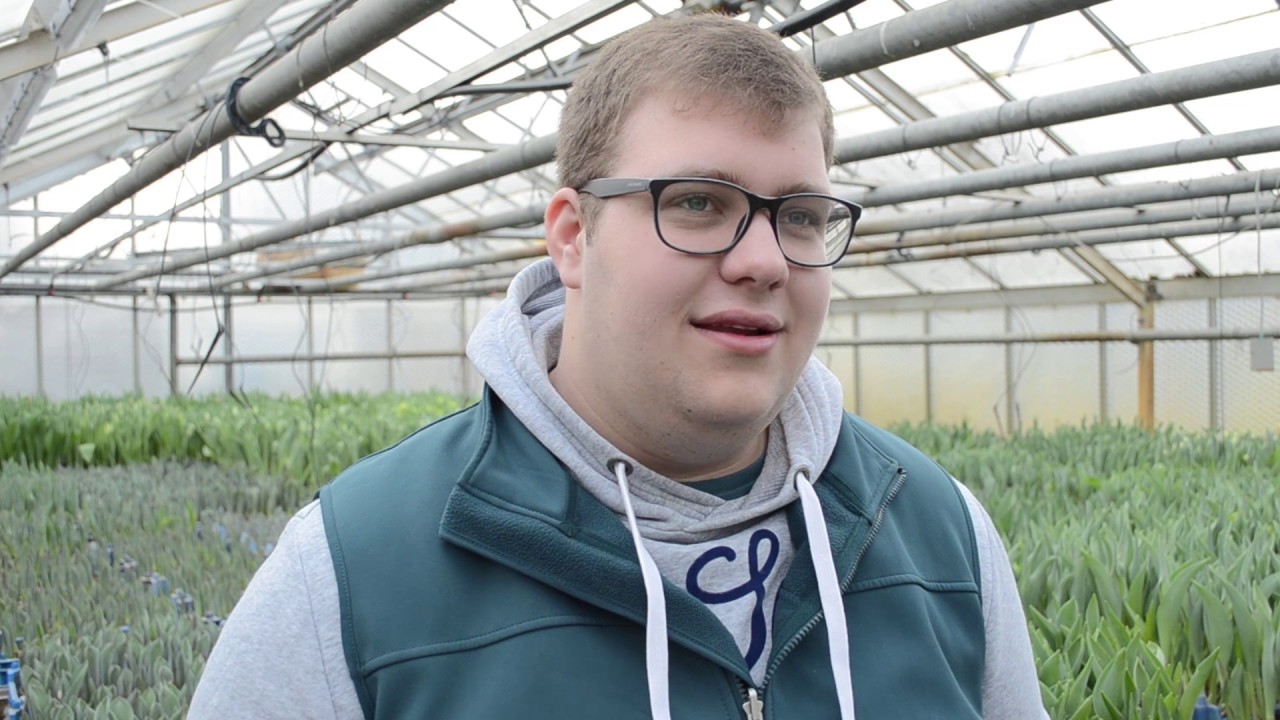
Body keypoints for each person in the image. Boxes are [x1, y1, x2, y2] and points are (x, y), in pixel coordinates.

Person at [188, 13, 1047, 719]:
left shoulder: (942, 531)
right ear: (573, 237)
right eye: (700, 204)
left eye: (803, 216)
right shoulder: (356, 570)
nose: (766, 262)